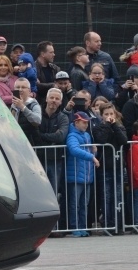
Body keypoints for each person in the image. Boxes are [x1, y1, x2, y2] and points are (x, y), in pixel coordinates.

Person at [92, 102, 128, 234]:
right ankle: (108, 225)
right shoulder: (98, 127)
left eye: (111, 114)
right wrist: (107, 125)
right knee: (106, 197)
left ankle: (118, 225)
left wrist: (115, 125)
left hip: (118, 166)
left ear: (115, 114)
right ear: (101, 116)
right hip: (105, 167)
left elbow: (124, 141)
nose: (109, 116)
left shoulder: (119, 126)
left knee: (118, 197)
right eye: (106, 114)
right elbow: (101, 140)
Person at [37, 88, 69, 234]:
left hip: (55, 161)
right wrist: (47, 137)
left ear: (61, 102)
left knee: (53, 194)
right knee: (38, 194)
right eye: (52, 98)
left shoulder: (63, 118)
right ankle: (40, 228)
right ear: (47, 99)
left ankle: (53, 228)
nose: (54, 101)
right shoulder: (38, 114)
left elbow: (60, 137)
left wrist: (42, 136)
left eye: (57, 99)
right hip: (37, 160)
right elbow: (34, 135)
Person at [66, 112, 99, 237]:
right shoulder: (72, 136)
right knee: (75, 204)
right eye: (83, 122)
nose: (86, 124)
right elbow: (74, 150)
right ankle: (75, 227)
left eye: (87, 122)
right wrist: (92, 156)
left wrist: (94, 153)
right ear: (76, 122)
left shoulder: (87, 135)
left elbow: (87, 153)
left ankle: (83, 227)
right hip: (75, 176)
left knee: (83, 204)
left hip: (86, 176)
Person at [11, 78, 42, 145]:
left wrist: (22, 107)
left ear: (29, 91)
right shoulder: (13, 106)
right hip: (16, 143)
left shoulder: (34, 105)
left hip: (31, 144)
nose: (20, 90)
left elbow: (37, 120)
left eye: (23, 87)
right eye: (18, 87)